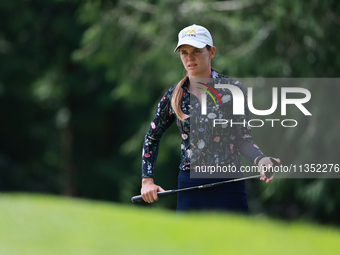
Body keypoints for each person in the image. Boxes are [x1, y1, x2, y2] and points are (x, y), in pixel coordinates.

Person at [141, 24, 280, 212]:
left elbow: (242, 137)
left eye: (196, 51)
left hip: (229, 186)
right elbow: (152, 137)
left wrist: (260, 159)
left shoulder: (232, 90)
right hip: (189, 185)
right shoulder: (174, 96)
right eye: (184, 52)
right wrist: (147, 181)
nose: (190, 58)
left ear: (211, 51)